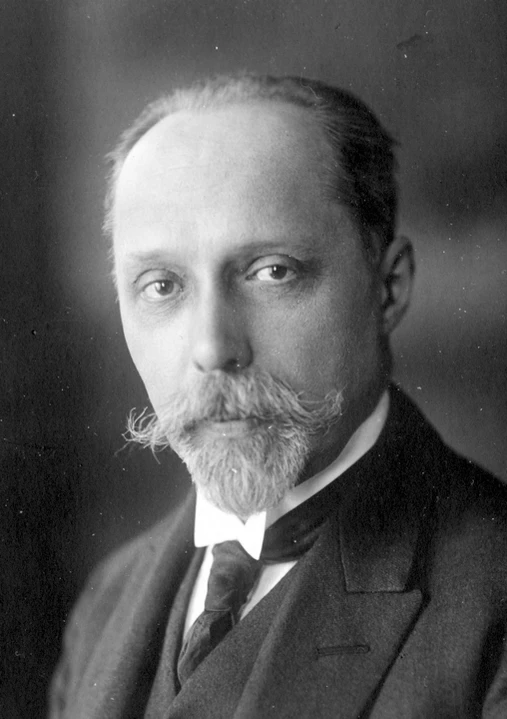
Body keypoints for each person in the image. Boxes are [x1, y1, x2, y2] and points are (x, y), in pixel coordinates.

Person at [49, 75, 507, 718]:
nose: (213, 348)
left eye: (272, 272)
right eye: (162, 285)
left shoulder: (492, 601)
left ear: (388, 289)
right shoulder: (106, 603)